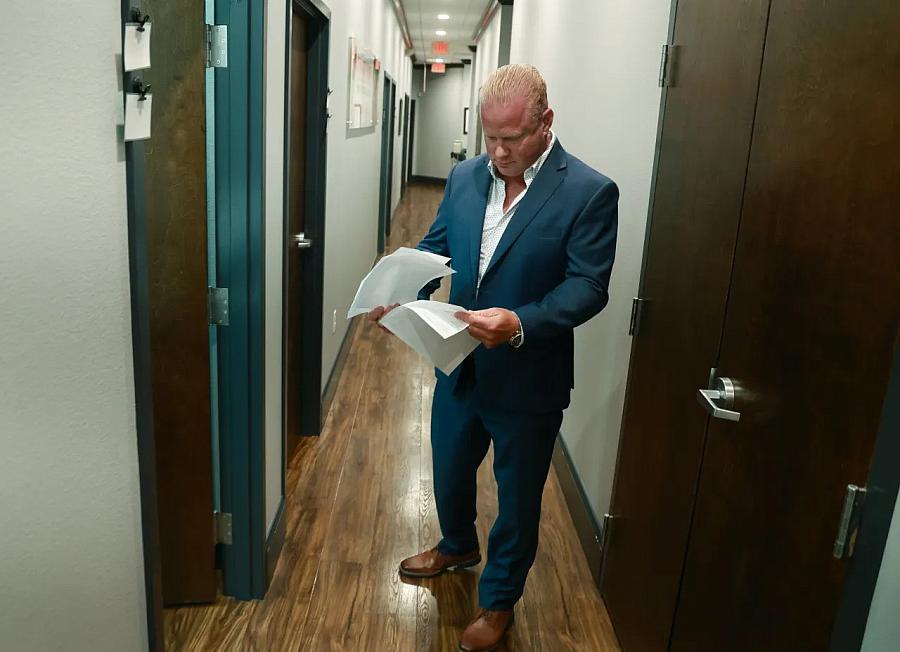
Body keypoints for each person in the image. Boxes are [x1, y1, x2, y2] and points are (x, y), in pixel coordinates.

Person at [367, 63, 618, 652]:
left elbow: (589, 286)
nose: (498, 152)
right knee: (449, 469)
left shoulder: (588, 191)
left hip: (529, 378)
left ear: (545, 122)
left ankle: (499, 599)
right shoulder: (465, 177)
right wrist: (401, 289)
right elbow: (438, 247)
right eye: (490, 137)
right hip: (459, 364)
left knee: (517, 498)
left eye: (512, 138)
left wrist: (521, 322)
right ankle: (457, 544)